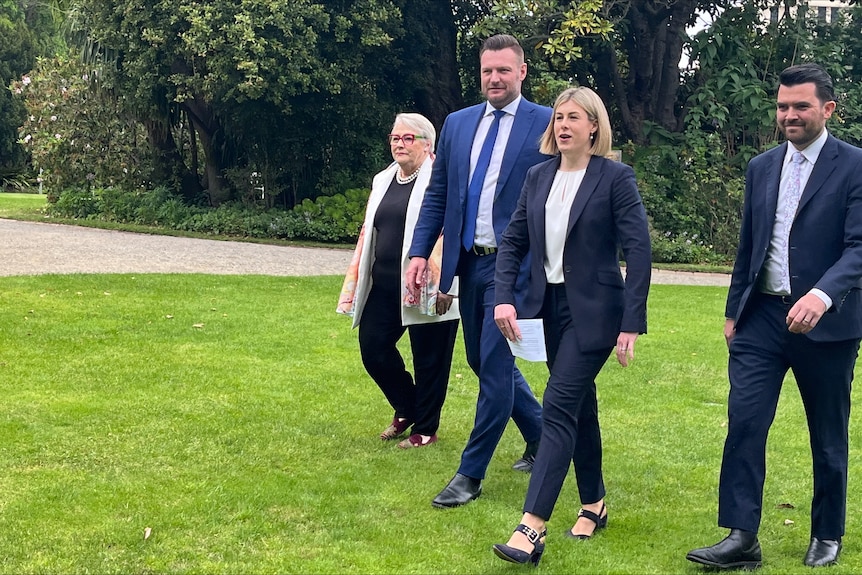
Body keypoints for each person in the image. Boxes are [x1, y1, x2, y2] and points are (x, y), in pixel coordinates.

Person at [686, 63, 862, 570]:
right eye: (783, 106)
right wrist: (732, 310)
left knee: (827, 433)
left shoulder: (853, 166)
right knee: (745, 423)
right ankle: (742, 537)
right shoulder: (762, 167)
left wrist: (822, 296)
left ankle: (826, 533)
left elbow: (857, 248)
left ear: (827, 109)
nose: (789, 114)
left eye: (801, 106)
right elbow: (749, 245)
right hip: (761, 317)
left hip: (828, 326)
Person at [488, 86, 651, 566]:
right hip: (547, 308)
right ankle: (594, 503)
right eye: (558, 117)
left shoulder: (616, 177)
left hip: (596, 311)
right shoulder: (538, 177)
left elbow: (638, 251)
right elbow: (513, 241)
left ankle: (530, 528)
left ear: (593, 126)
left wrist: (631, 323)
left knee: (558, 404)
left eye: (573, 118)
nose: (562, 125)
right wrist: (503, 300)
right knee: (581, 405)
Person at [405, 34, 551, 508]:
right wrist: (419, 253)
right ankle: (544, 435)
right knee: (483, 361)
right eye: (488, 70)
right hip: (470, 265)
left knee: (492, 366)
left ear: (522, 72)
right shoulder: (458, 123)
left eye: (504, 70)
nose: (495, 78)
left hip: (516, 270)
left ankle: (470, 473)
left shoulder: (547, 124)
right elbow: (439, 194)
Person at [337, 113, 460, 449]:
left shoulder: (443, 179)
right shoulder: (384, 179)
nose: (400, 144)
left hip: (429, 283)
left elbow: (454, 230)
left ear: (427, 144)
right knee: (373, 347)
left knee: (430, 358)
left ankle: (426, 428)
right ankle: (407, 407)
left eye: (409, 138)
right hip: (385, 281)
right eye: (395, 138)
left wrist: (450, 281)